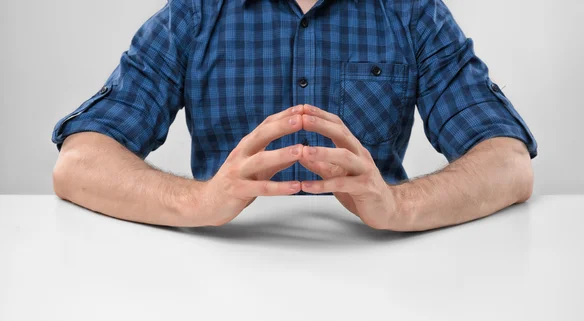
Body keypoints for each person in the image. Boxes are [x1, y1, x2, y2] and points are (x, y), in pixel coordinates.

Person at [51, 0, 538, 231]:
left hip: (383, 283)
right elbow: (79, 164)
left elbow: (508, 164)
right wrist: (195, 202)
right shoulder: (195, 13)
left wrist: (399, 205)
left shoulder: (412, 13)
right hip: (216, 284)